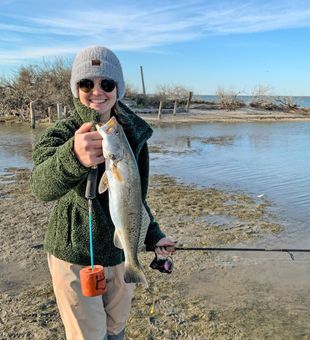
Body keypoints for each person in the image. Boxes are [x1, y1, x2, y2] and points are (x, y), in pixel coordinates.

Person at [31, 45, 176, 340]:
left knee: (116, 331)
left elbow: (134, 196)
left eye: (106, 83)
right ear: (76, 88)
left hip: (122, 254)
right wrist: (72, 156)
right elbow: (41, 187)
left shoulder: (133, 134)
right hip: (75, 255)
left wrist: (154, 235)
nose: (97, 91)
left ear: (118, 89)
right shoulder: (61, 133)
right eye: (87, 83)